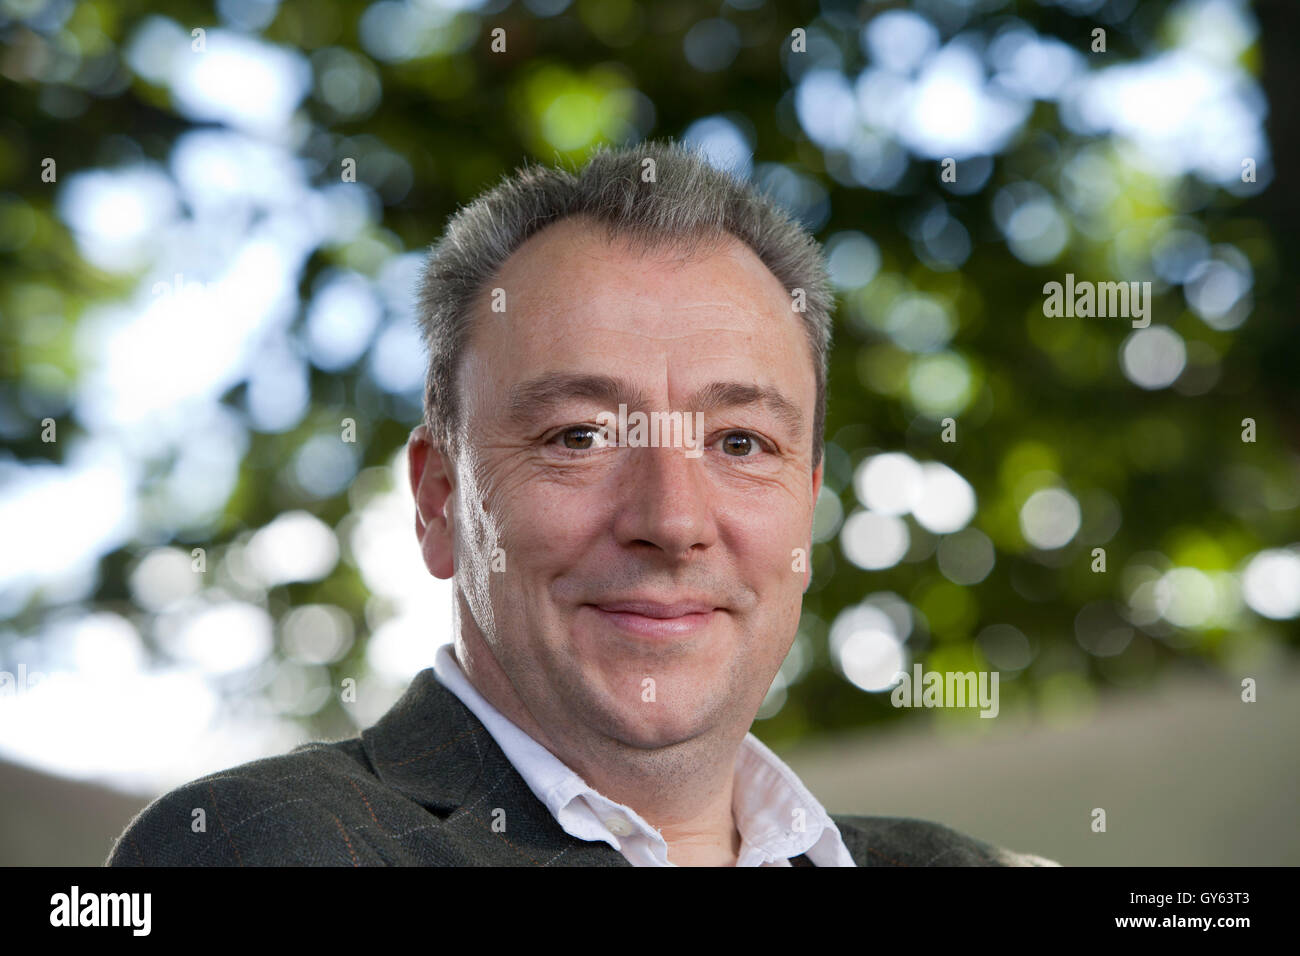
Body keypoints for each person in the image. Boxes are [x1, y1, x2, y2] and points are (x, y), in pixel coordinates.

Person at [108, 140, 1058, 867]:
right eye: (580, 437)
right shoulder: (263, 846)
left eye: (739, 443)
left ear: (806, 506)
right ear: (441, 502)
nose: (673, 521)